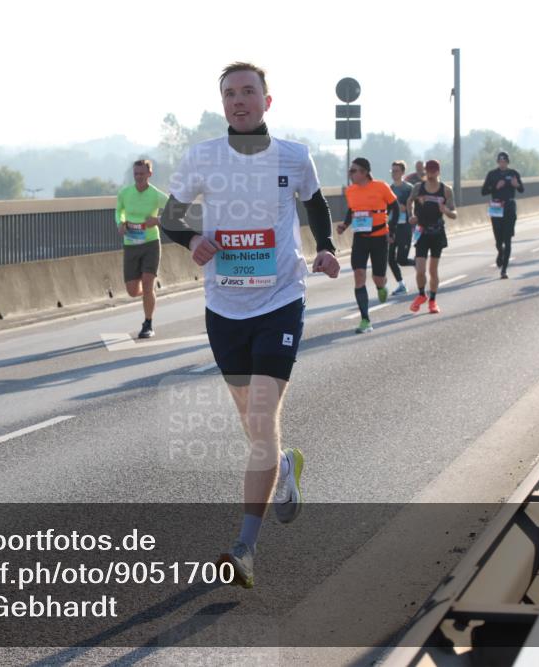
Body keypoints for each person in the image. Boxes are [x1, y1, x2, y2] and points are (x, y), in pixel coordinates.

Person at [159, 62, 340, 589]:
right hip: (224, 308)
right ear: (223, 104)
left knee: (261, 415)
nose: (238, 101)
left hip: (280, 300)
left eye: (247, 92)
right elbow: (170, 217)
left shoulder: (293, 155)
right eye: (229, 94)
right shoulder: (203, 157)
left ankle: (245, 548)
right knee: (254, 425)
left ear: (267, 100)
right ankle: (283, 464)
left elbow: (315, 203)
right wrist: (192, 240)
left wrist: (326, 247)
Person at [336, 157, 400, 333]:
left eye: (353, 171)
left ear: (364, 172)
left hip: (379, 238)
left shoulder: (381, 187)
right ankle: (365, 319)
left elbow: (395, 207)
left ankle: (381, 286)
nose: (350, 174)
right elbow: (352, 210)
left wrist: (392, 229)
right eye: (350, 170)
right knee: (359, 275)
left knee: (378, 277)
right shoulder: (350, 191)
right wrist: (344, 225)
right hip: (360, 238)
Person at [116, 160, 169, 338]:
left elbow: (176, 209)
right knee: (132, 291)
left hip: (151, 243)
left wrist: (158, 220)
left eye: (142, 174)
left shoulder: (156, 194)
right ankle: (149, 293)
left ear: (149, 174)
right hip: (131, 244)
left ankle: (148, 323)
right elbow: (119, 211)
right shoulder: (125, 193)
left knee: (147, 283)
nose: (138, 177)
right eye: (136, 174)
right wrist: (120, 223)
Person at [405, 159, 457, 314]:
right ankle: (422, 295)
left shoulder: (446, 190)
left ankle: (433, 301)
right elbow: (409, 202)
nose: (431, 174)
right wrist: (411, 216)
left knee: (433, 270)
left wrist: (445, 211)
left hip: (437, 233)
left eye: (433, 171)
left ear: (438, 172)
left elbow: (454, 213)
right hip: (422, 232)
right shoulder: (418, 187)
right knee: (420, 270)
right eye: (428, 171)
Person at [481, 151, 524, 279]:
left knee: (508, 239)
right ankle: (500, 251)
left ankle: (504, 270)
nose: (502, 163)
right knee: (498, 239)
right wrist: (495, 187)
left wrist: (517, 185)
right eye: (500, 161)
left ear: (507, 162)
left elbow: (522, 189)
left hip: (509, 207)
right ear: (498, 162)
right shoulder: (492, 174)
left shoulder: (513, 173)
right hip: (496, 207)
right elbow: (483, 191)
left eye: (504, 161)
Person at [388, 160, 413, 294]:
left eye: (396, 171)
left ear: (403, 172)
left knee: (402, 260)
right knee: (390, 258)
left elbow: (414, 206)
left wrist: (406, 208)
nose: (394, 173)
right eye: (392, 171)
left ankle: (418, 263)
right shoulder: (389, 189)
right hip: (392, 227)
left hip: (405, 227)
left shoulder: (409, 188)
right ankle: (401, 284)